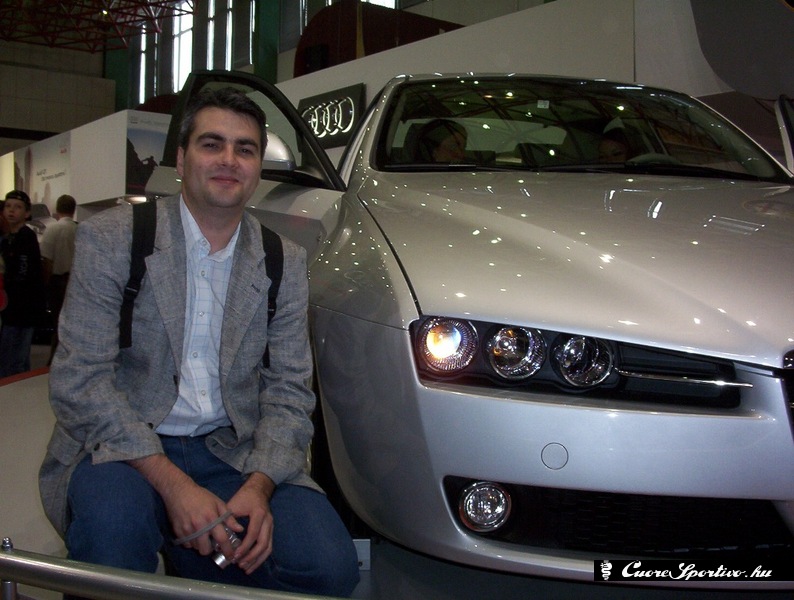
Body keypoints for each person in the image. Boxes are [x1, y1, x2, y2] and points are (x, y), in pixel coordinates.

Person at [39, 87, 360, 597]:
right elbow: (80, 380)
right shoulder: (115, 238)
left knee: (328, 566)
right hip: (124, 443)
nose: (229, 159)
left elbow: (290, 391)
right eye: (212, 144)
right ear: (182, 158)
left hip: (233, 449)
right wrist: (175, 487)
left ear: (258, 167)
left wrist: (259, 485)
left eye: (245, 149)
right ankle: (178, 533)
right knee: (113, 539)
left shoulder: (283, 260)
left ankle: (194, 550)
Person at [0, 190, 45, 377]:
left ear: (26, 213)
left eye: (17, 207)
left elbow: (23, 271)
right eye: (8, 206)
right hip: (11, 307)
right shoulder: (6, 238)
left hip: (22, 307)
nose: (11, 211)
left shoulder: (26, 237)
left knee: (14, 357)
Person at [39, 193, 78, 364]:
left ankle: (55, 359)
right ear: (73, 209)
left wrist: (45, 284)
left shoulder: (52, 229)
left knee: (58, 322)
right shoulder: (79, 229)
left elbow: (47, 260)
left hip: (57, 282)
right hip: (75, 283)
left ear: (57, 209)